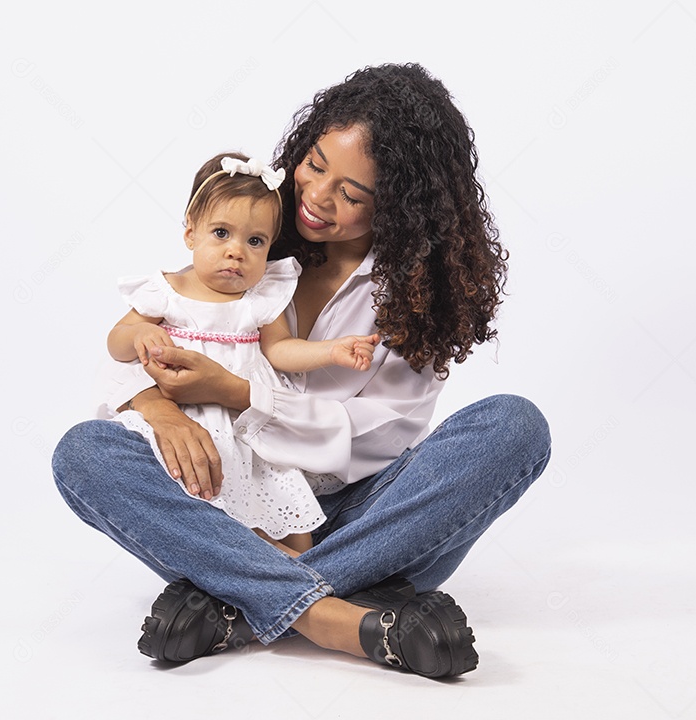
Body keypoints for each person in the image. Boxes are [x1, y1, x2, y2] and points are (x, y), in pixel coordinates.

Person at [53, 63, 552, 678]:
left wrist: (237, 393)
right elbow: (146, 338)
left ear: (399, 208)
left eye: (352, 195)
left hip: (361, 519)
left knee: (515, 427)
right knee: (84, 453)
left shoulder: (417, 295)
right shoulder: (252, 235)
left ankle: (239, 598)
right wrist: (156, 406)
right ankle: (338, 619)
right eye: (315, 166)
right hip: (228, 498)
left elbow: (368, 441)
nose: (316, 197)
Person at [105, 151, 380, 553]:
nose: (237, 251)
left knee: (293, 525)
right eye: (221, 233)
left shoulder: (259, 299)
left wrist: (331, 352)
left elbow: (282, 350)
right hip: (192, 422)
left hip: (251, 428)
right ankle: (248, 577)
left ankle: (301, 578)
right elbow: (116, 340)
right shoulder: (165, 292)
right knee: (212, 508)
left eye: (254, 241)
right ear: (190, 234)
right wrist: (141, 335)